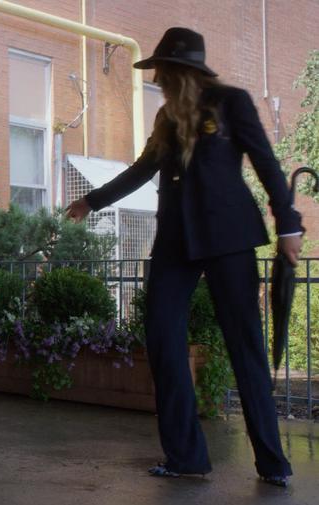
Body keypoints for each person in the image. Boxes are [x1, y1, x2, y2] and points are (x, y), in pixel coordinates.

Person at [66, 27, 301, 487]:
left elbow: (267, 161)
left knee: (244, 346)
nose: (156, 79)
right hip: (176, 241)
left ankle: (273, 463)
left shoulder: (232, 102)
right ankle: (186, 457)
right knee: (161, 337)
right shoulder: (165, 119)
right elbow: (141, 170)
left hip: (230, 236)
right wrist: (91, 201)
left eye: (160, 70)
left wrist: (288, 224)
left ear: (179, 70)